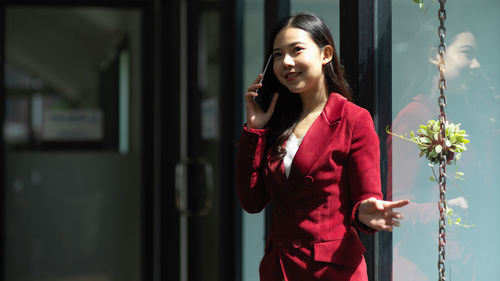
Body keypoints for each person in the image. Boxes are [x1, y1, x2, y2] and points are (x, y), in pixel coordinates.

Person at [236, 12, 409, 281]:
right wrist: (255, 130)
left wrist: (367, 210)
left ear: (325, 54)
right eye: (278, 55)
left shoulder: (352, 119)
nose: (287, 62)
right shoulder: (277, 122)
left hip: (332, 272)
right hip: (280, 270)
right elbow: (251, 201)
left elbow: (366, 196)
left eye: (297, 50)